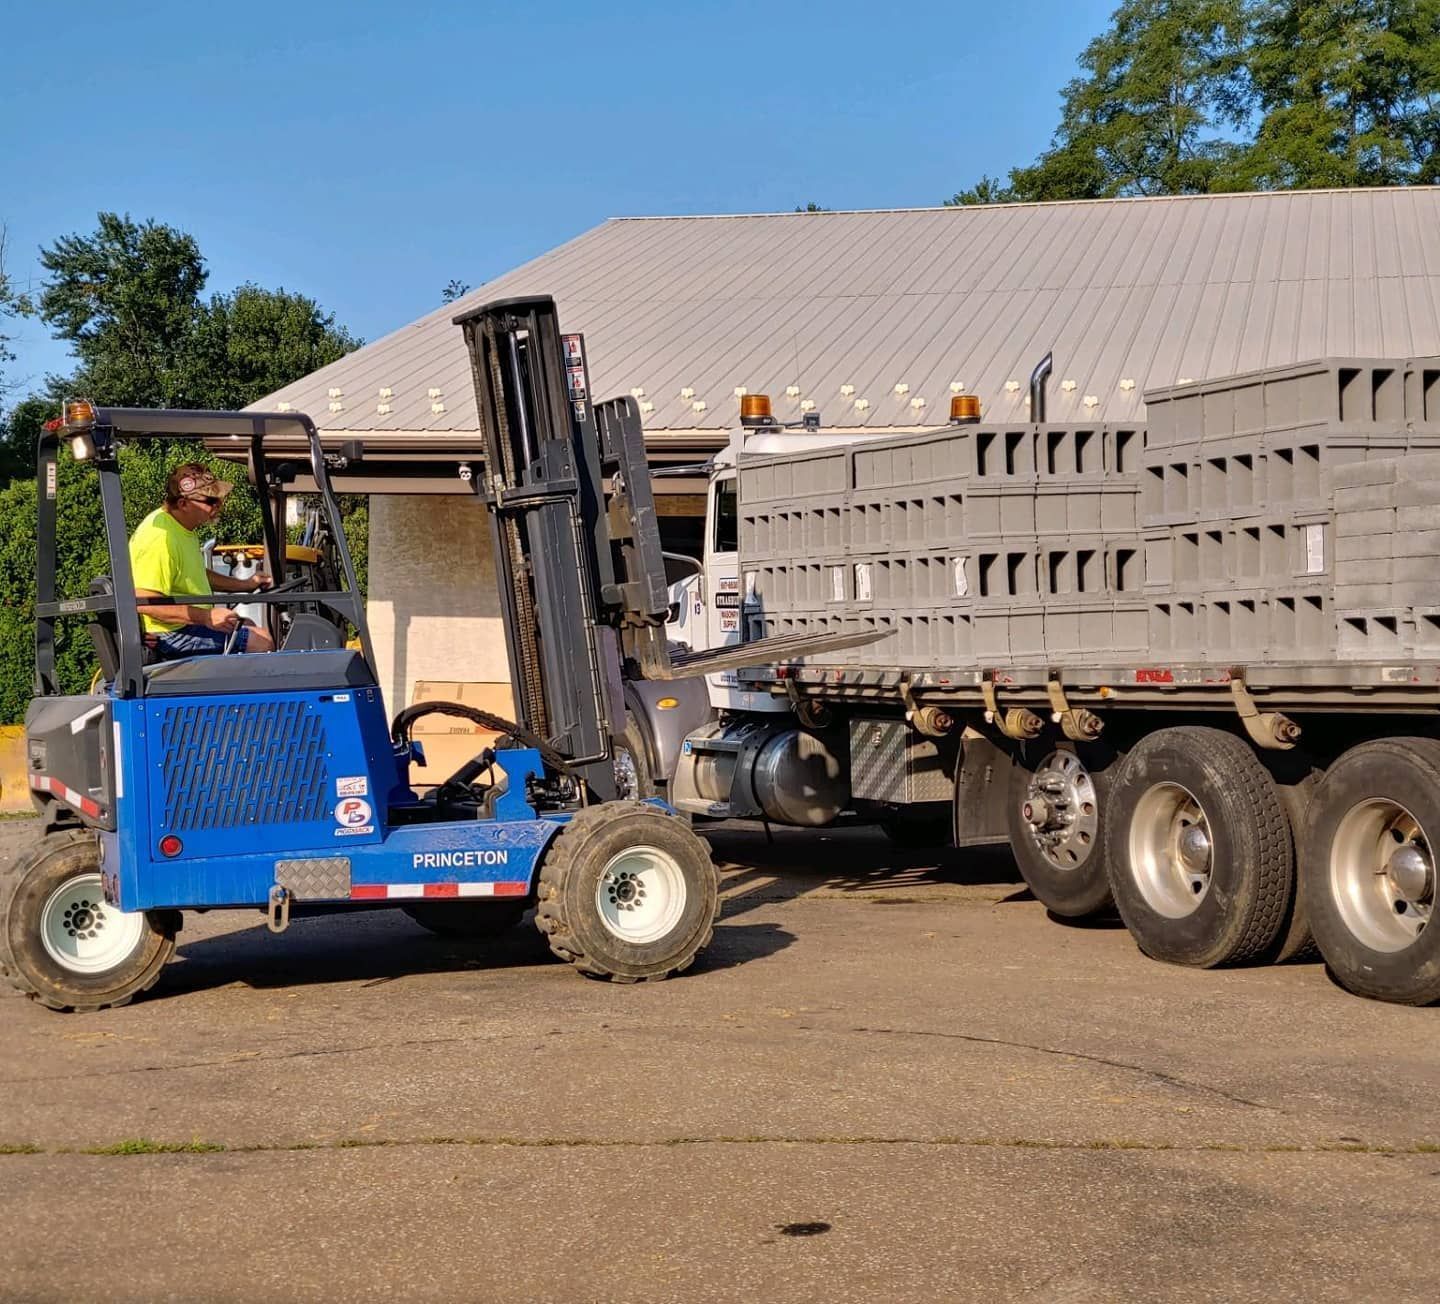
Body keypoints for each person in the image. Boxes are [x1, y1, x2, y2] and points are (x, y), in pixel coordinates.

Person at [129, 463, 276, 658]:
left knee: (247, 625)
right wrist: (206, 617)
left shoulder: (182, 528)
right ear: (183, 504)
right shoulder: (160, 538)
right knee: (262, 641)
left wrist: (246, 584)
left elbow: (196, 574)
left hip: (187, 626)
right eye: (210, 500)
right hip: (170, 634)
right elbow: (144, 601)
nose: (218, 505)